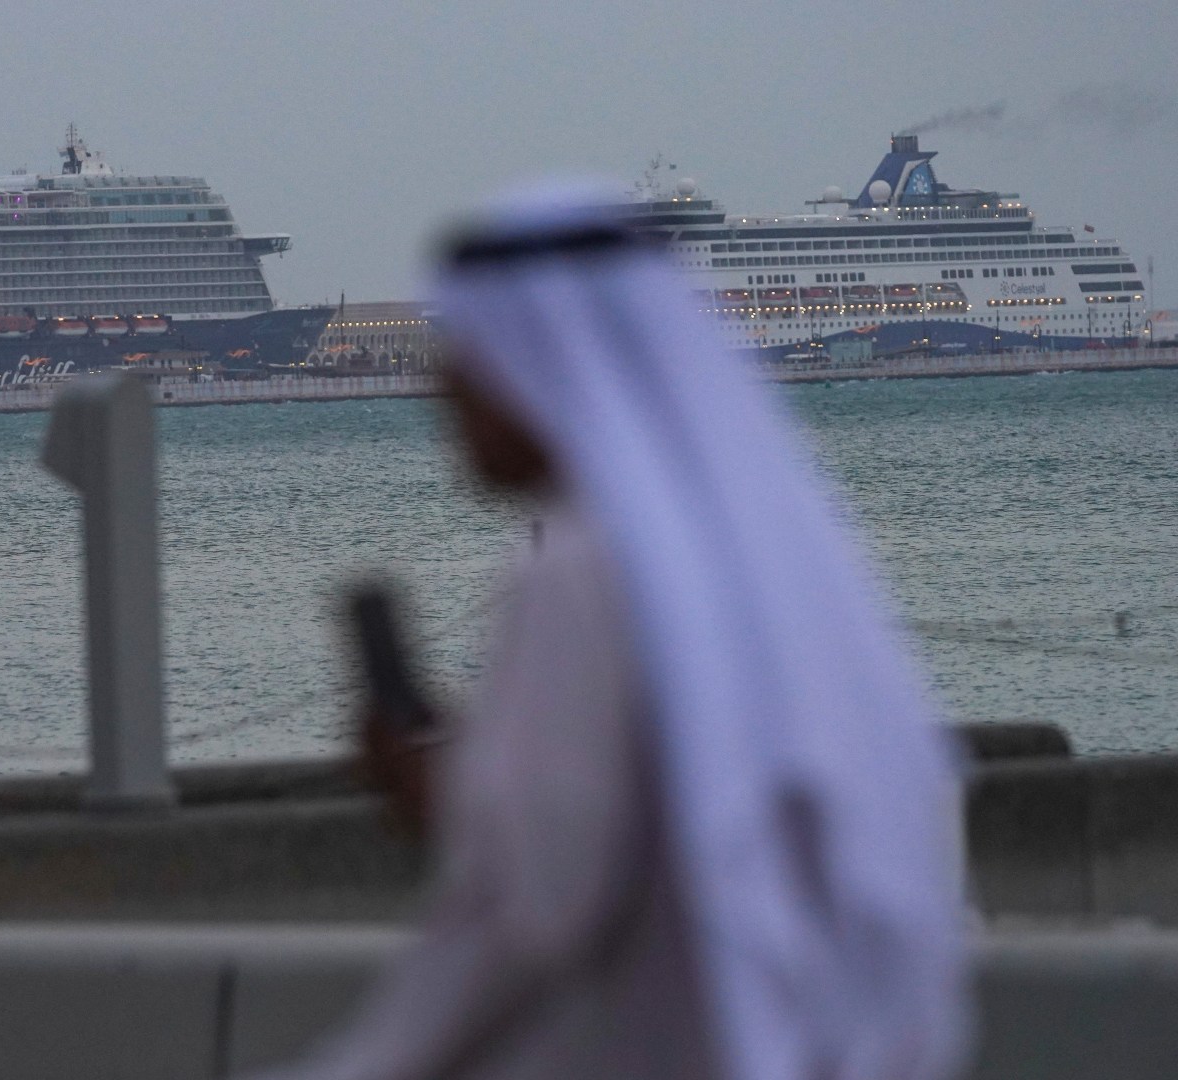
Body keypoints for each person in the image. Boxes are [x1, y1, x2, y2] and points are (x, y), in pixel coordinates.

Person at [261, 187, 970, 1080]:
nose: (440, 389)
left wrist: (365, 1063)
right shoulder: (772, 552)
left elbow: (538, 904)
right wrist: (470, 786)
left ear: (542, 365)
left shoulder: (578, 569)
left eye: (469, 356)